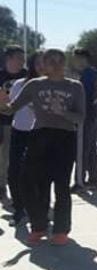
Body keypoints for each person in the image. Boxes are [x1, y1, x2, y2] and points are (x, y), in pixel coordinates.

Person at [0, 48, 85, 245]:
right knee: (32, 182)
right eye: (50, 61)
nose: (55, 65)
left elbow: (80, 118)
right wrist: (2, 104)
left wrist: (62, 112)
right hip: (40, 135)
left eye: (59, 61)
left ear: (65, 64)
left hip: (65, 137)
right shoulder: (34, 85)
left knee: (61, 185)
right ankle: (38, 225)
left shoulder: (75, 86)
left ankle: (61, 230)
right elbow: (11, 109)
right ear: (42, 65)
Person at [7, 51, 45, 226]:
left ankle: (39, 212)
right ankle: (19, 210)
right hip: (20, 132)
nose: (41, 66)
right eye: (38, 63)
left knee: (40, 175)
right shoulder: (20, 84)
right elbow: (10, 107)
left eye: (44, 63)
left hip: (41, 133)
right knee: (14, 173)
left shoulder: (51, 86)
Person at [0, 45, 28, 201]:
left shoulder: (27, 76)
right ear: (8, 58)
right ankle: (2, 188)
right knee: (3, 158)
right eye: (19, 58)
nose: (22, 61)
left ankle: (22, 189)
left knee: (20, 159)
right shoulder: (1, 76)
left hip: (22, 124)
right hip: (3, 122)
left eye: (23, 59)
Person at [72, 48, 97, 191]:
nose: (75, 61)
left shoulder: (86, 75)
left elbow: (94, 94)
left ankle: (80, 181)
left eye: (76, 58)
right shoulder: (93, 74)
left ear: (84, 58)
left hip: (85, 115)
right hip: (91, 114)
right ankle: (93, 180)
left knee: (82, 149)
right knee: (90, 149)